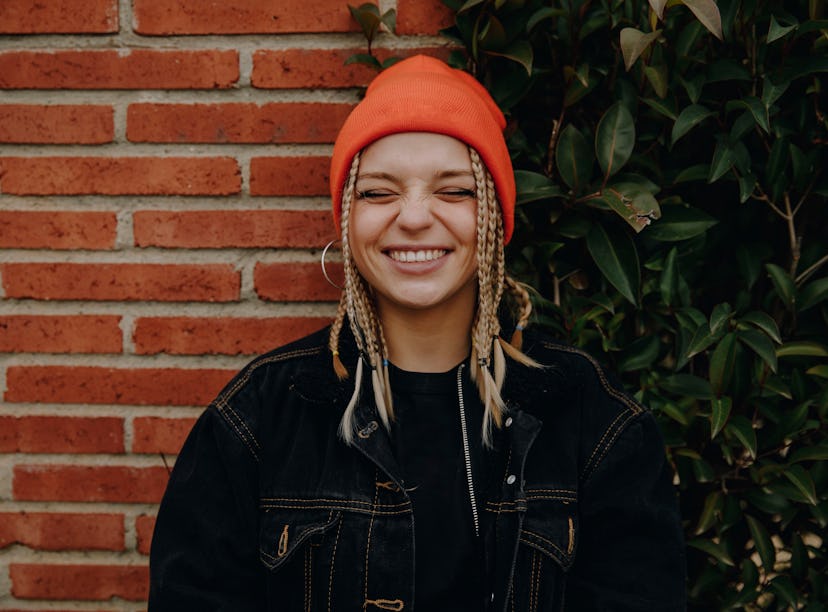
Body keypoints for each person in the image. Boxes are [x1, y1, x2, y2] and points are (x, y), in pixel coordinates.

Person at [148, 55, 686, 611]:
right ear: (348, 221)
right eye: (378, 192)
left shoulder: (592, 417)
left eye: (454, 191)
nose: (412, 217)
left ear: (495, 222)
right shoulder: (258, 416)